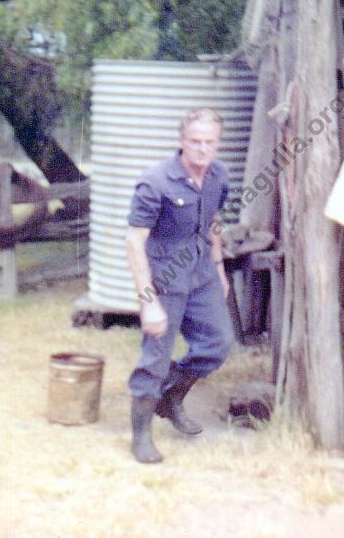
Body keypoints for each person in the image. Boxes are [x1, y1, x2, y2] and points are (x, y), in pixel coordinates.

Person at [125, 108, 233, 463]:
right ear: (181, 142)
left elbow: (213, 220)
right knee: (155, 358)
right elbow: (133, 242)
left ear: (217, 144)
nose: (203, 149)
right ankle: (141, 436)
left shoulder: (218, 176)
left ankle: (170, 396)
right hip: (165, 279)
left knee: (217, 343)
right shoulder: (155, 182)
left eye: (210, 142)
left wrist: (219, 267)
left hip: (201, 275)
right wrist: (148, 302)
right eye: (195, 142)